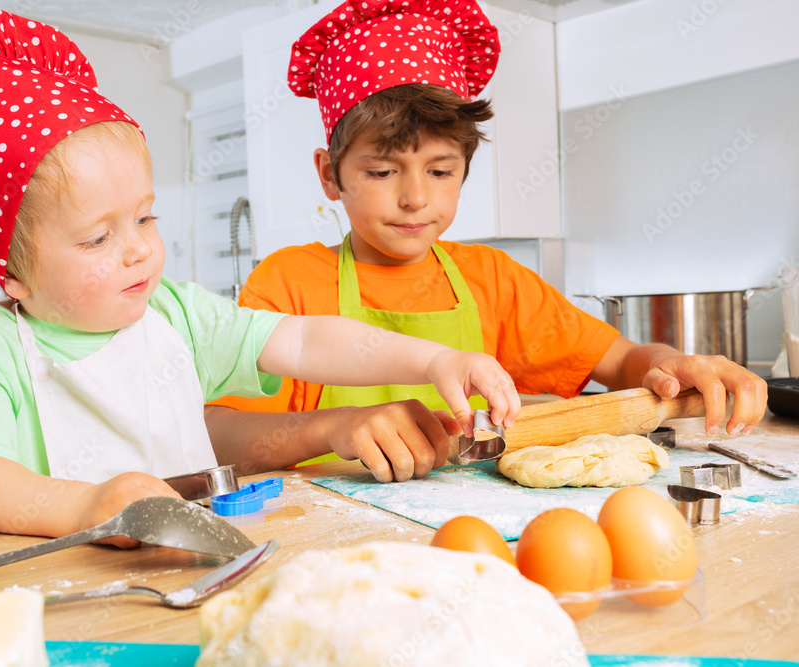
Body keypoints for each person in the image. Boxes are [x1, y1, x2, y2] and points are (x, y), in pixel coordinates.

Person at [0, 7, 520, 547]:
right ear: (12, 274)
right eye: (98, 237)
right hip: (58, 588)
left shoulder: (174, 314)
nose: (138, 252)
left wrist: (435, 357)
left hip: (195, 564)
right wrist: (92, 503)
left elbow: (307, 341)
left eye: (145, 219)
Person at [206, 0, 767, 482]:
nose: (415, 198)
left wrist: (676, 365)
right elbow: (220, 436)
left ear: (465, 170)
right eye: (382, 172)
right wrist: (333, 425)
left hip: (475, 531)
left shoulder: (492, 280)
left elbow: (622, 361)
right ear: (330, 174)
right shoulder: (290, 283)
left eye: (441, 171)